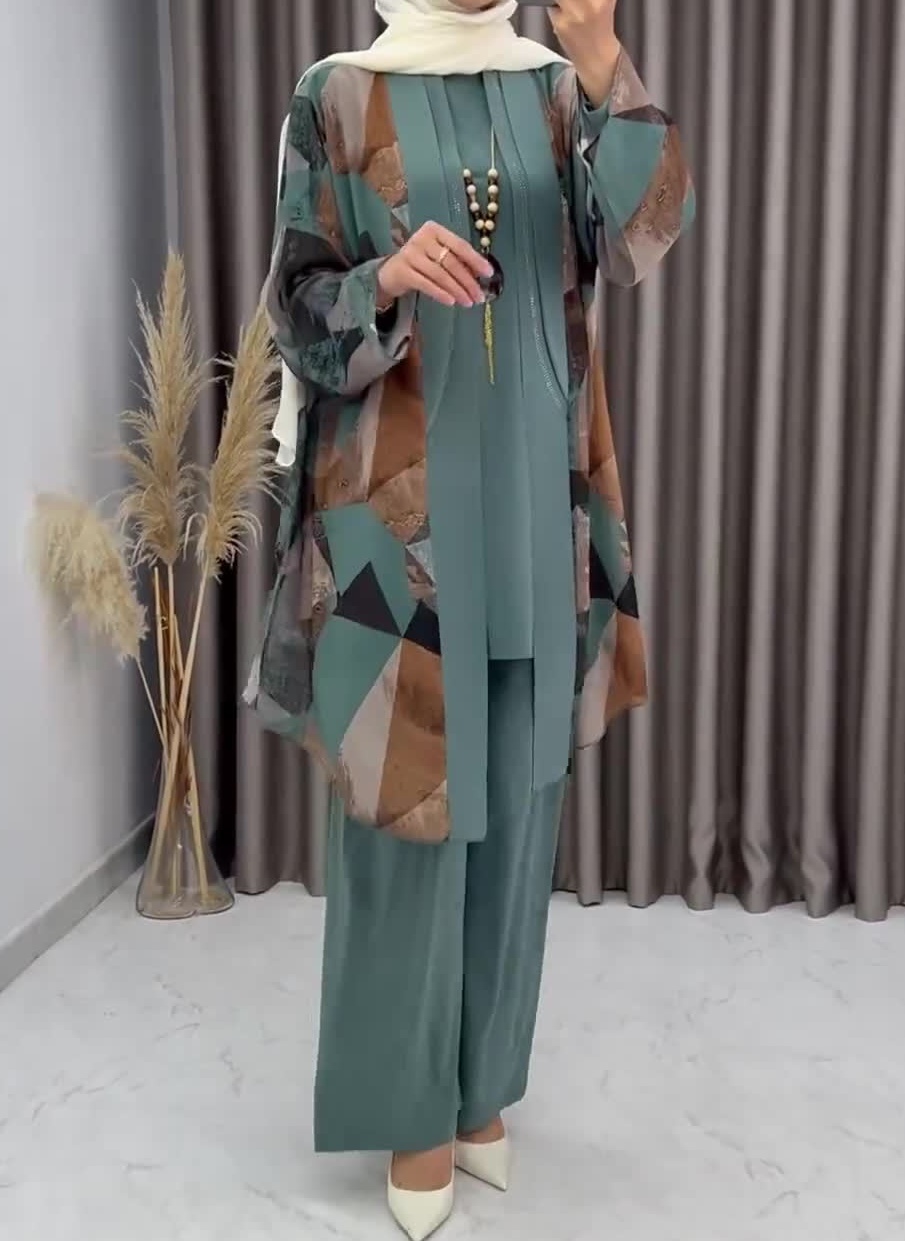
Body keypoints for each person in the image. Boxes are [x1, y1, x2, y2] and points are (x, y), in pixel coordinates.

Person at [247, 1, 693, 1236]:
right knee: (407, 810)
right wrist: (387, 276)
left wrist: (604, 61)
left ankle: (483, 1084)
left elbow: (646, 234)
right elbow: (297, 306)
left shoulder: (552, 84)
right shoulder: (341, 91)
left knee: (516, 792)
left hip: (539, 501)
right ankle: (414, 1108)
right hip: (396, 519)